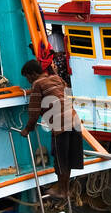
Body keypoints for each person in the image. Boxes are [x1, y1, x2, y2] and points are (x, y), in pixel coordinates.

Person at [18, 59, 83, 205]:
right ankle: (64, 190)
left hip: (61, 125)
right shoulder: (56, 79)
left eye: (27, 77)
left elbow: (34, 112)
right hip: (75, 121)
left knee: (60, 161)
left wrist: (27, 129)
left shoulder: (37, 84)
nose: (28, 81)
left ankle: (61, 190)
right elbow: (62, 90)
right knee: (67, 160)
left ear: (33, 74)